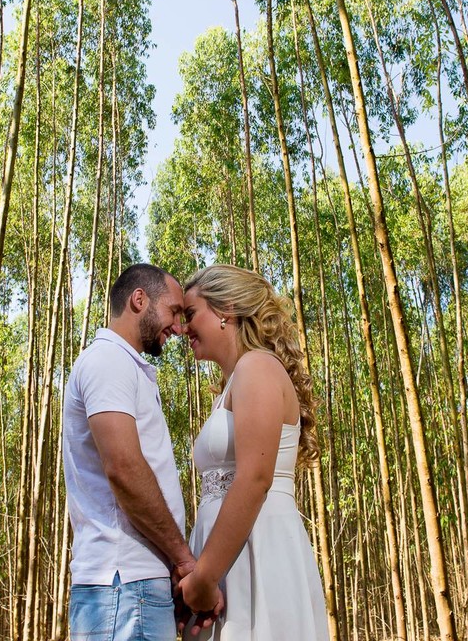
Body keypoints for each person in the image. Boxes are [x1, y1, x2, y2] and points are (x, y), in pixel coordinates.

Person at [62, 263, 218, 640]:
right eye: (174, 312)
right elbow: (124, 468)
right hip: (123, 587)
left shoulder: (123, 365)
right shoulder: (108, 361)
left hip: (133, 585)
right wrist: (183, 559)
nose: (179, 328)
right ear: (139, 300)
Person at [175, 264, 329, 640]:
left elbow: (255, 480)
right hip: (225, 562)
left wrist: (205, 578)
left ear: (226, 308)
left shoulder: (257, 366)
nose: (183, 328)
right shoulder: (234, 383)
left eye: (190, 314)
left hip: (259, 552)